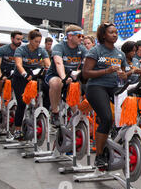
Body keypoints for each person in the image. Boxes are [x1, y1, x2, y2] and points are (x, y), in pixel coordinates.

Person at [82, 22, 129, 168]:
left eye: (116, 32)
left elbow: (125, 74)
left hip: (114, 87)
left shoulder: (120, 54)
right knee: (107, 118)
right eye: (111, 32)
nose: (115, 34)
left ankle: (116, 143)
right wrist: (106, 71)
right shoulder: (96, 51)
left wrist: (123, 75)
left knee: (130, 113)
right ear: (103, 35)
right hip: (96, 87)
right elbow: (85, 73)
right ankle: (99, 156)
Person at [45, 25, 87, 128]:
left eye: (83, 36)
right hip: (56, 75)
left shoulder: (81, 48)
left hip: (72, 78)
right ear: (70, 36)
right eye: (79, 36)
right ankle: (55, 112)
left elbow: (88, 62)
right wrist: (64, 78)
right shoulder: (59, 47)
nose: (81, 38)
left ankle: (78, 121)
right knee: (56, 83)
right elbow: (58, 63)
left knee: (77, 102)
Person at [12, 29, 50, 139]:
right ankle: (18, 130)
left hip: (35, 77)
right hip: (20, 78)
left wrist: (48, 69)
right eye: (36, 41)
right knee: (22, 103)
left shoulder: (41, 50)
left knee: (47, 89)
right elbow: (19, 65)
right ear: (30, 40)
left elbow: (48, 63)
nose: (37, 44)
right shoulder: (21, 49)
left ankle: (44, 115)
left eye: (39, 42)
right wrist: (24, 74)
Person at [0, 31, 23, 109]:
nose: (20, 41)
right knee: (1, 80)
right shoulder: (3, 49)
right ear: (12, 39)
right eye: (18, 39)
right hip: (2, 70)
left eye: (21, 40)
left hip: (14, 72)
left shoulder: (22, 51)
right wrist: (0, 76)